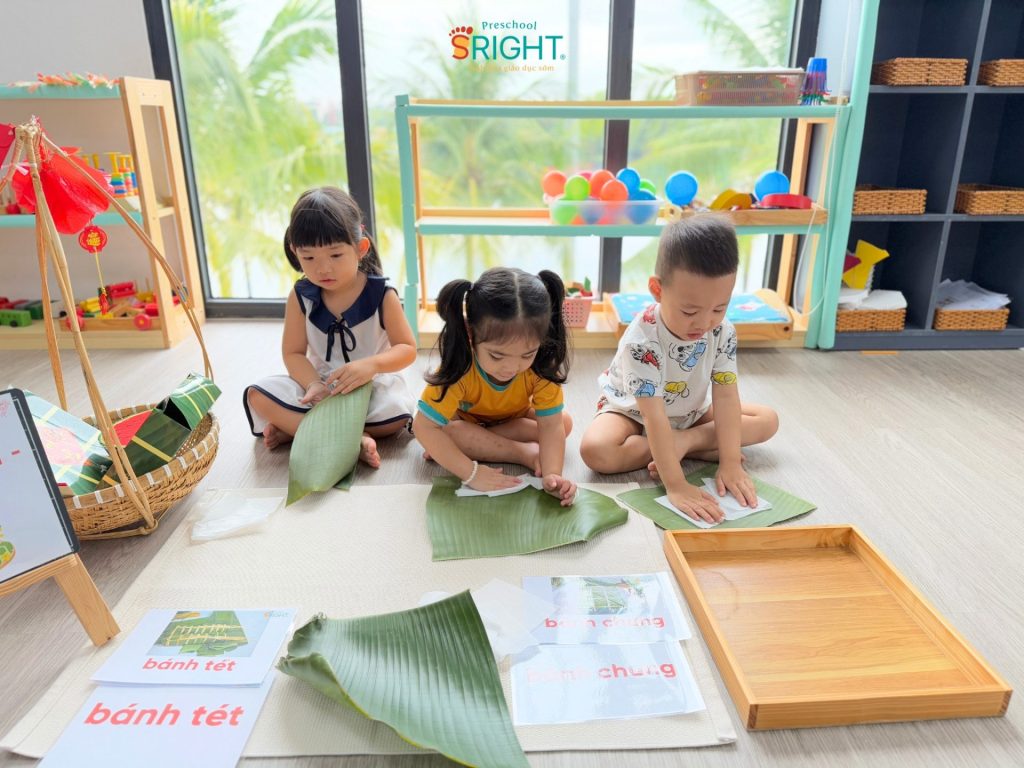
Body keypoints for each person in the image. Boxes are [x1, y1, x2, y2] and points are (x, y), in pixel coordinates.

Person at [580, 216, 779, 523]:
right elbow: (653, 416)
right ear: (657, 290)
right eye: (689, 311)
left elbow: (726, 396)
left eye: (719, 308)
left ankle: (687, 442)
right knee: (596, 450)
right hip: (633, 412)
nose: (704, 323)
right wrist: (676, 484)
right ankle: (681, 447)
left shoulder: (722, 330)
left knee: (767, 420)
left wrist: (730, 463)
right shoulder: (641, 342)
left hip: (690, 412)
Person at [244, 187, 417, 467]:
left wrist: (371, 365)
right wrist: (313, 384)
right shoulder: (300, 296)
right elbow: (293, 353)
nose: (323, 268)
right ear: (295, 252)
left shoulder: (382, 295)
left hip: (370, 386)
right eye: (309, 258)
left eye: (335, 255)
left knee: (394, 413)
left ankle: (302, 430)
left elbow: (407, 349)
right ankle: (352, 439)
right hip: (319, 387)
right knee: (258, 395)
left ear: (360, 248)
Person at [413, 267, 577, 505]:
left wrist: (553, 475)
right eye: (497, 356)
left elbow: (551, 426)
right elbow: (423, 426)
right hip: (465, 424)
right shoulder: (459, 368)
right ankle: (522, 453)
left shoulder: (541, 366)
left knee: (563, 423)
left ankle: (478, 443)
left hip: (512, 419)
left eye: (527, 354)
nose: (511, 367)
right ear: (471, 333)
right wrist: (472, 473)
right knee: (446, 433)